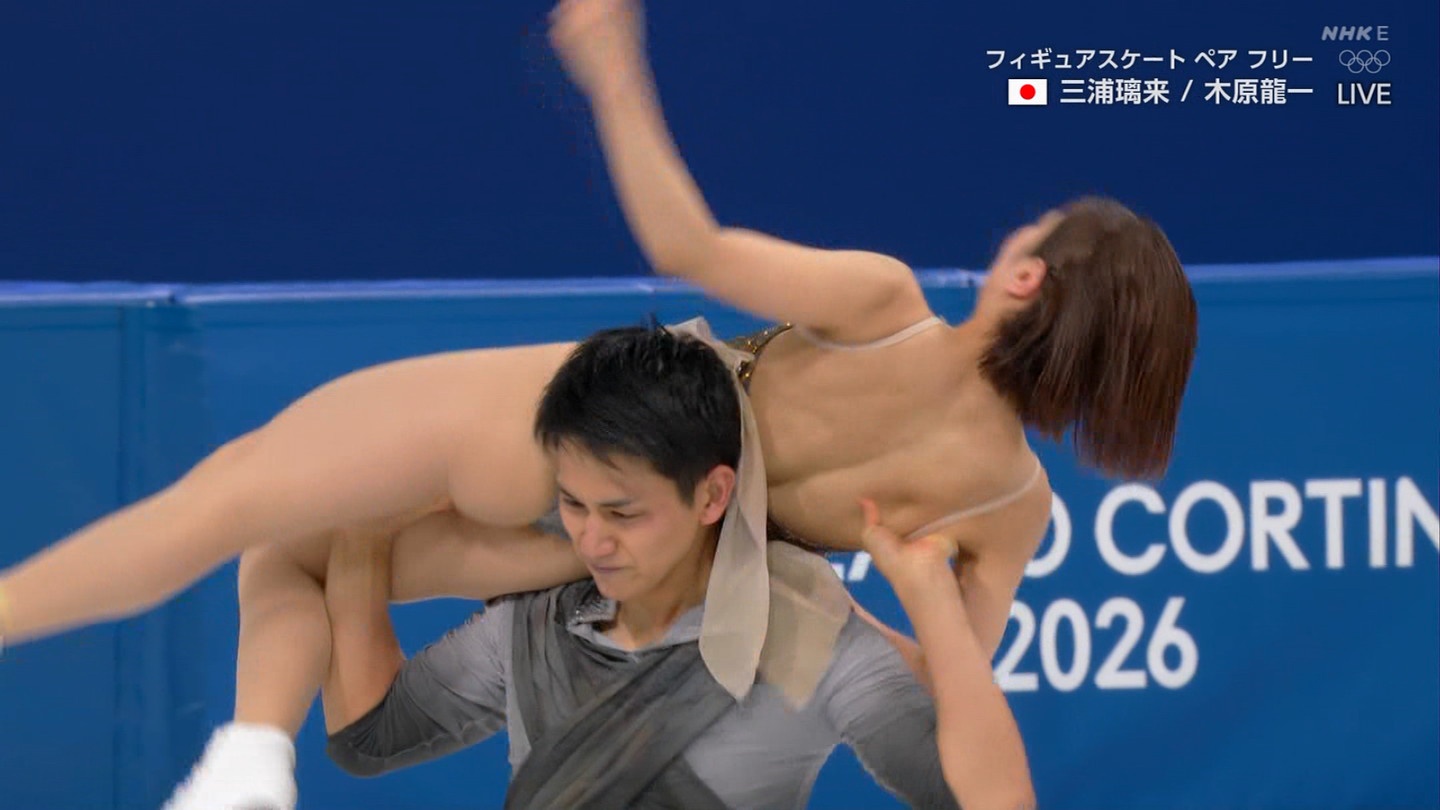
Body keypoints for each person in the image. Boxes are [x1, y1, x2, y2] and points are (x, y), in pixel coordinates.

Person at [0, 0, 1196, 806]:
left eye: (1025, 237)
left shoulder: (889, 307)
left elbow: (686, 244)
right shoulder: (1008, 504)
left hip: (582, 428)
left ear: (1027, 280)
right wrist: (870, 595)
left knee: (233, 506)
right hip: (626, 560)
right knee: (295, 554)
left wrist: (615, 71)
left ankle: (248, 751)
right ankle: (251, 765)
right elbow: (945, 700)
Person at [315, 324, 1003, 809]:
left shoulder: (804, 640)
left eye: (622, 514)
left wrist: (933, 600)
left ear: (712, 495)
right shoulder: (536, 624)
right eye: (573, 505)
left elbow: (990, 801)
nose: (592, 541)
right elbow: (369, 738)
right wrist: (361, 532)